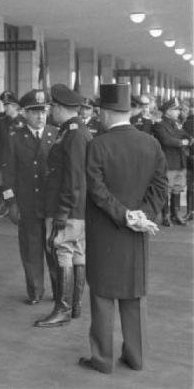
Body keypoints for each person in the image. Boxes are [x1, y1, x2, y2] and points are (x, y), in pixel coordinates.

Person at [78, 83, 167, 374]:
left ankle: (102, 360)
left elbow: (96, 189)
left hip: (106, 231)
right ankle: (135, 357)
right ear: (128, 111)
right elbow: (159, 186)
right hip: (137, 233)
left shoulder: (98, 144)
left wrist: (124, 215)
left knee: (103, 295)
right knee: (133, 295)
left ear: (104, 112)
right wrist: (143, 216)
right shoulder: (151, 143)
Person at [34, 84, 92, 328]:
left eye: (51, 107)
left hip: (66, 206)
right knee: (76, 253)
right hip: (75, 207)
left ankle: (63, 308)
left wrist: (62, 210)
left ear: (59, 107)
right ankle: (74, 306)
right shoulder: (73, 131)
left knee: (63, 252)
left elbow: (75, 176)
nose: (49, 112)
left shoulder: (73, 133)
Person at [1, 89, 59, 305]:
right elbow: (7, 175)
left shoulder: (56, 134)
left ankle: (59, 290)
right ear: (24, 113)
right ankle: (35, 291)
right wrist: (11, 203)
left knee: (54, 249)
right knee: (31, 250)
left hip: (52, 206)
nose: (40, 116)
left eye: (43, 111)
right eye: (35, 112)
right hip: (27, 204)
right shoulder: (15, 138)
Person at [152, 97, 192, 226]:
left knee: (177, 189)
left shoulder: (176, 124)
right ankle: (166, 215)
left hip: (180, 162)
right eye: (175, 110)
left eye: (178, 110)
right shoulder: (159, 124)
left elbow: (186, 135)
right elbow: (166, 140)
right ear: (168, 111)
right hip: (168, 162)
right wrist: (182, 142)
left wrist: (187, 139)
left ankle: (175, 214)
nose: (178, 112)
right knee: (166, 190)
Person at [0, 91, 25, 218]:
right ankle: (9, 205)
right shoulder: (2, 121)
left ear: (15, 106)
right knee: (4, 185)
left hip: (19, 161)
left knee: (19, 184)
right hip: (5, 160)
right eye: (4, 105)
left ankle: (19, 206)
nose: (5, 108)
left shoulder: (23, 122)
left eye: (8, 106)